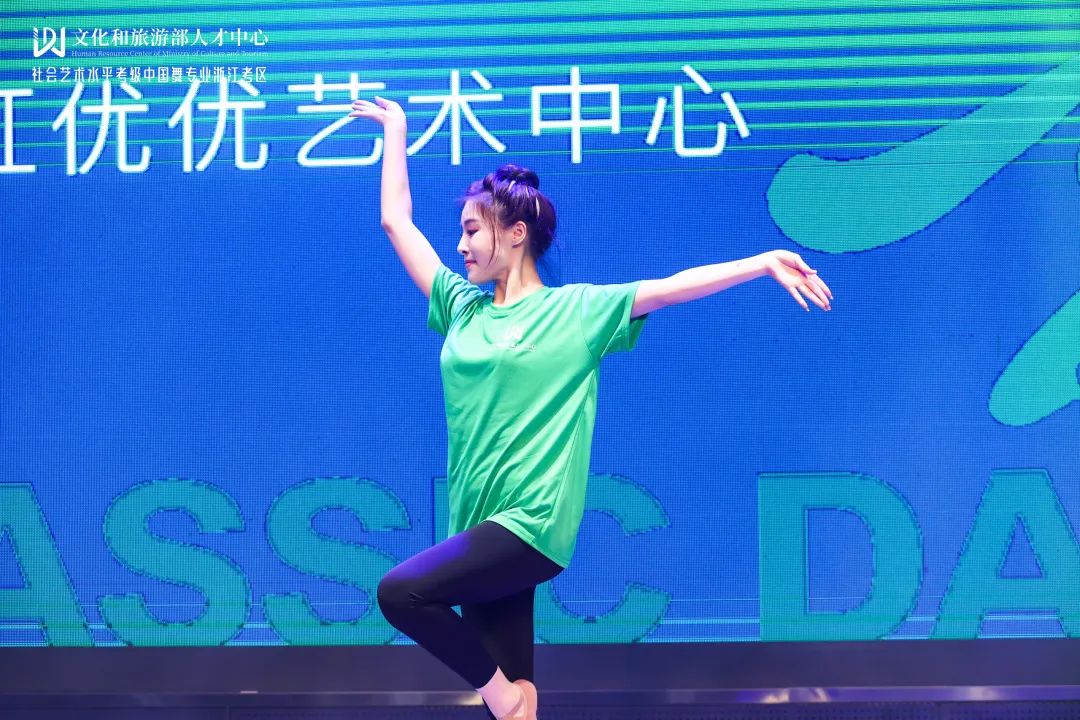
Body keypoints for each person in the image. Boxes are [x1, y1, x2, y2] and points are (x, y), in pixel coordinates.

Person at [348, 96, 832, 720]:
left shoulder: (576, 312)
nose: (460, 245)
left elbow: (670, 288)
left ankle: (505, 696)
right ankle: (512, 702)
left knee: (402, 595)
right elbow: (396, 221)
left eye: (471, 230)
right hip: (476, 524)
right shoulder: (461, 308)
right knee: (517, 712)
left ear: (515, 233)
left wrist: (762, 263)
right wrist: (396, 129)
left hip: (531, 525)